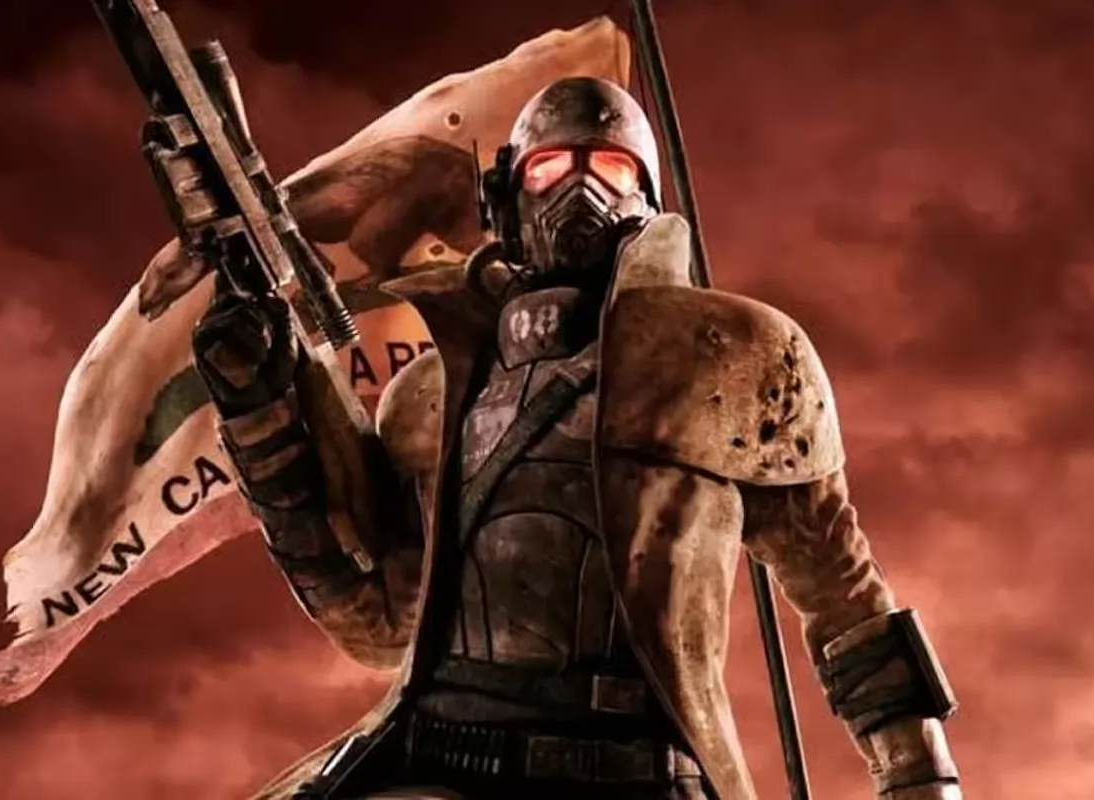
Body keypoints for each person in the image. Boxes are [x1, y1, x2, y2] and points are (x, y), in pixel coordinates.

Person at [190, 77, 962, 800]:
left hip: (634, 772)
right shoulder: (429, 396)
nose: (582, 189)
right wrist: (262, 411)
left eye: (613, 169)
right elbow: (378, 623)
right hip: (435, 759)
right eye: (551, 166)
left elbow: (842, 590)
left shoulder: (733, 356)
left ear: (648, 200)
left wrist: (921, 779)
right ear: (504, 196)